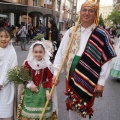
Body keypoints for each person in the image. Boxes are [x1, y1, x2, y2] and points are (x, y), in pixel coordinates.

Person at [53, 1, 116, 120]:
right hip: (71, 74)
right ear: (80, 13)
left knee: (85, 105)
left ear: (95, 14)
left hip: (90, 75)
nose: (87, 13)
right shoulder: (71, 31)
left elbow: (107, 60)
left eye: (91, 11)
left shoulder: (102, 34)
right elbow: (61, 54)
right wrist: (56, 73)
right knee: (72, 104)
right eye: (84, 10)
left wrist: (101, 82)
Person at [20, 41, 57, 120]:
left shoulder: (47, 64)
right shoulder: (28, 63)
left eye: (40, 52)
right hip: (30, 91)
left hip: (43, 92)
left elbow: (50, 78)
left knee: (42, 115)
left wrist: (47, 91)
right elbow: (24, 77)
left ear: (44, 52)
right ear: (32, 52)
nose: (38, 54)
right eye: (36, 52)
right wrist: (29, 85)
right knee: (29, 116)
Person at [0, 27, 18, 120]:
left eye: (6, 36)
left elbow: (12, 69)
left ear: (10, 38)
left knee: (5, 114)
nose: (3, 39)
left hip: (6, 87)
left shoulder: (12, 51)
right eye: (1, 36)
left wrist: (2, 82)